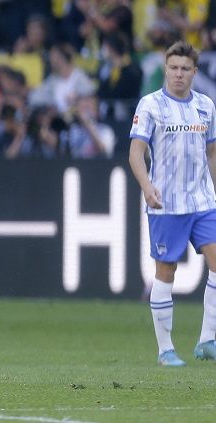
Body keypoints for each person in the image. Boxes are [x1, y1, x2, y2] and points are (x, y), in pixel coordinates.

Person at [129, 41, 216, 367]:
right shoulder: (150, 106)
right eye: (173, 68)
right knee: (166, 273)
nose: (178, 74)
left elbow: (211, 153)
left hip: (203, 201)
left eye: (184, 69)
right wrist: (147, 185)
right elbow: (136, 153)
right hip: (167, 203)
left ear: (194, 72)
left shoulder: (206, 106)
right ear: (166, 69)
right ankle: (165, 350)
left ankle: (207, 340)